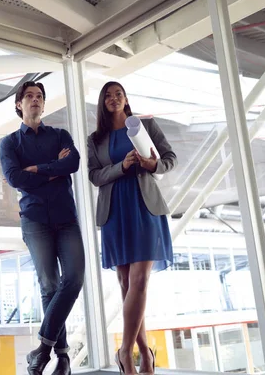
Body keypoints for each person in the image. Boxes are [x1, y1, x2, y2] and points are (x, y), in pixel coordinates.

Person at [87, 81, 176, 375]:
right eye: (108, 96)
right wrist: (121, 167)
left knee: (139, 281)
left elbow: (168, 160)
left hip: (144, 205)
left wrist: (152, 165)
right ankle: (146, 354)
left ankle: (125, 351)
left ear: (126, 99)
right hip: (115, 211)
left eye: (119, 94)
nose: (114, 99)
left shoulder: (146, 124)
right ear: (103, 103)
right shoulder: (95, 139)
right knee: (126, 285)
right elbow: (94, 176)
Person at [0, 81, 85, 375]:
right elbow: (14, 178)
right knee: (48, 285)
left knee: (73, 279)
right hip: (35, 220)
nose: (35, 100)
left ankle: (43, 349)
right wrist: (52, 169)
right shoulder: (9, 143)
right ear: (18, 105)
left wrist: (36, 170)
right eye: (29, 97)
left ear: (44, 105)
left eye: (39, 97)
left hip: (66, 218)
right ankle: (62, 357)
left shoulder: (61, 135)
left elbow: (72, 162)